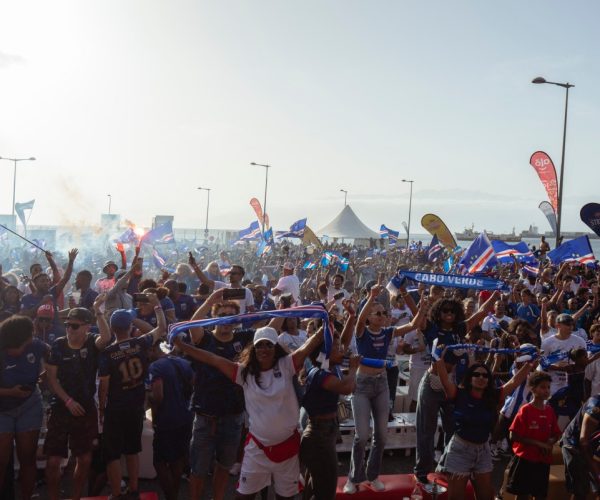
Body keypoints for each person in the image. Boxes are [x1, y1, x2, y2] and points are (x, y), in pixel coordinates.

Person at [173, 325, 324, 499]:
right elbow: (212, 358)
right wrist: (182, 345)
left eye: (269, 345)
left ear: (276, 348)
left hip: (287, 451)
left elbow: (308, 347)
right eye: (260, 345)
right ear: (254, 348)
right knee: (244, 497)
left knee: (286, 498)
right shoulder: (243, 373)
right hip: (257, 450)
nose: (264, 349)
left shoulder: (287, 365)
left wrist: (323, 329)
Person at [344, 285, 425, 494]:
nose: (382, 316)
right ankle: (353, 478)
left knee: (381, 435)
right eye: (378, 313)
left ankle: (373, 475)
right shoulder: (362, 331)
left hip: (381, 384)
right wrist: (371, 297)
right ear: (370, 317)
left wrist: (422, 307)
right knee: (361, 436)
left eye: (384, 312)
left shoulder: (388, 332)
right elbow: (359, 320)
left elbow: (415, 324)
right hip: (361, 385)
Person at [414, 291, 499, 484]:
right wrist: (417, 301)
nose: (449, 313)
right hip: (432, 383)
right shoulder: (432, 329)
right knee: (426, 431)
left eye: (452, 310)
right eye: (445, 310)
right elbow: (417, 317)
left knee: (452, 429)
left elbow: (480, 314)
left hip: (451, 385)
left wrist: (495, 294)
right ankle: (422, 472)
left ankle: (446, 467)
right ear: (438, 312)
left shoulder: (460, 329)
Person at [435, 355, 532, 500]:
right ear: (470, 377)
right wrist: (438, 358)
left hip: (483, 450)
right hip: (460, 450)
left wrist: (529, 364)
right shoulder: (459, 394)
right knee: (456, 497)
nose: (481, 377)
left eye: (485, 375)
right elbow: (444, 379)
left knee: (486, 496)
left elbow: (514, 382)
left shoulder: (493, 396)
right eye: (476, 374)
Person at [98, 294, 166, 499]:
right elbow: (162, 328)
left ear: (113, 329)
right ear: (129, 326)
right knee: (132, 449)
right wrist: (157, 306)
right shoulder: (141, 342)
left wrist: (101, 408)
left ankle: (117, 493)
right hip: (136, 405)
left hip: (116, 408)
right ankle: (135, 489)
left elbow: (104, 385)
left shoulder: (108, 353)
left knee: (112, 455)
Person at [44, 298, 111, 500]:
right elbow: (51, 379)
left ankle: (75, 497)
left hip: (85, 408)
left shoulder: (92, 342)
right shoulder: (58, 345)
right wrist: (67, 401)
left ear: (86, 327)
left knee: (84, 459)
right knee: (53, 461)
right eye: (67, 325)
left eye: (74, 326)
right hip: (61, 407)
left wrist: (98, 311)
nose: (69, 329)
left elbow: (106, 337)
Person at [301, 331, 360, 500]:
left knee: (316, 484)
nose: (341, 349)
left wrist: (351, 317)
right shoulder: (321, 374)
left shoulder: (326, 369)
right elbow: (347, 388)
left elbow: (346, 341)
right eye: (335, 346)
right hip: (319, 437)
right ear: (324, 352)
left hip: (323, 433)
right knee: (326, 490)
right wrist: (354, 367)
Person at [0, 315, 49, 500]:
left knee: (28, 458)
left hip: (29, 405)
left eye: (25, 346)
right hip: (2, 410)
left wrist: (47, 374)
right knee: (1, 461)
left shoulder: (35, 344)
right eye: (17, 347)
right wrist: (9, 392)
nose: (21, 350)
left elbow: (55, 357)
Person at [148, 343, 194, 500]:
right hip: (186, 417)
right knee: (178, 459)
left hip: (166, 420)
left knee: (159, 462)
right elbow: (193, 386)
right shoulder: (183, 362)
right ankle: (174, 494)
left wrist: (147, 396)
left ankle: (171, 496)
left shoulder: (155, 367)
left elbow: (158, 396)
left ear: (154, 349)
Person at [505, 371, 561, 500]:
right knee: (522, 494)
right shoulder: (525, 410)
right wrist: (539, 443)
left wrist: (550, 442)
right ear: (533, 389)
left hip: (543, 461)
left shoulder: (550, 410)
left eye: (548, 387)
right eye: (542, 387)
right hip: (525, 460)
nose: (546, 390)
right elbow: (513, 435)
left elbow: (557, 434)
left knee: (540, 494)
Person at [561, 394, 600, 500]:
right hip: (574, 445)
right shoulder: (596, 405)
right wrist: (597, 475)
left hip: (594, 444)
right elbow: (583, 442)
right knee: (581, 488)